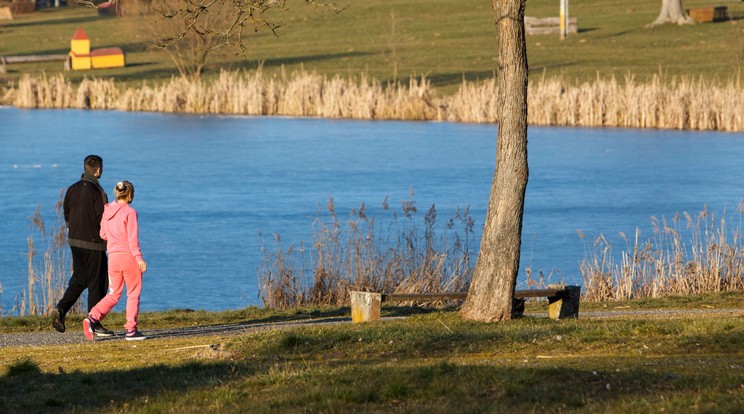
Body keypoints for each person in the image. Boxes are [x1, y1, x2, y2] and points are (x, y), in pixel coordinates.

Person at [51, 155, 113, 337]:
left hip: (75, 242)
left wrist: (73, 229)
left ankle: (61, 310)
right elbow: (103, 219)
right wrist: (108, 241)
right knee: (97, 282)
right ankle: (94, 322)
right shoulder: (98, 192)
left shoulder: (72, 189)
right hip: (94, 244)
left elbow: (66, 212)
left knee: (80, 278)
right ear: (98, 169)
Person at [84, 181, 147, 341]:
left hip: (113, 257)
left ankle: (93, 317)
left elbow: (103, 234)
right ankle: (131, 330)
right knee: (133, 293)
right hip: (128, 257)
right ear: (130, 195)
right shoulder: (130, 212)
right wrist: (139, 258)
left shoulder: (107, 211)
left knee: (113, 293)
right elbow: (133, 239)